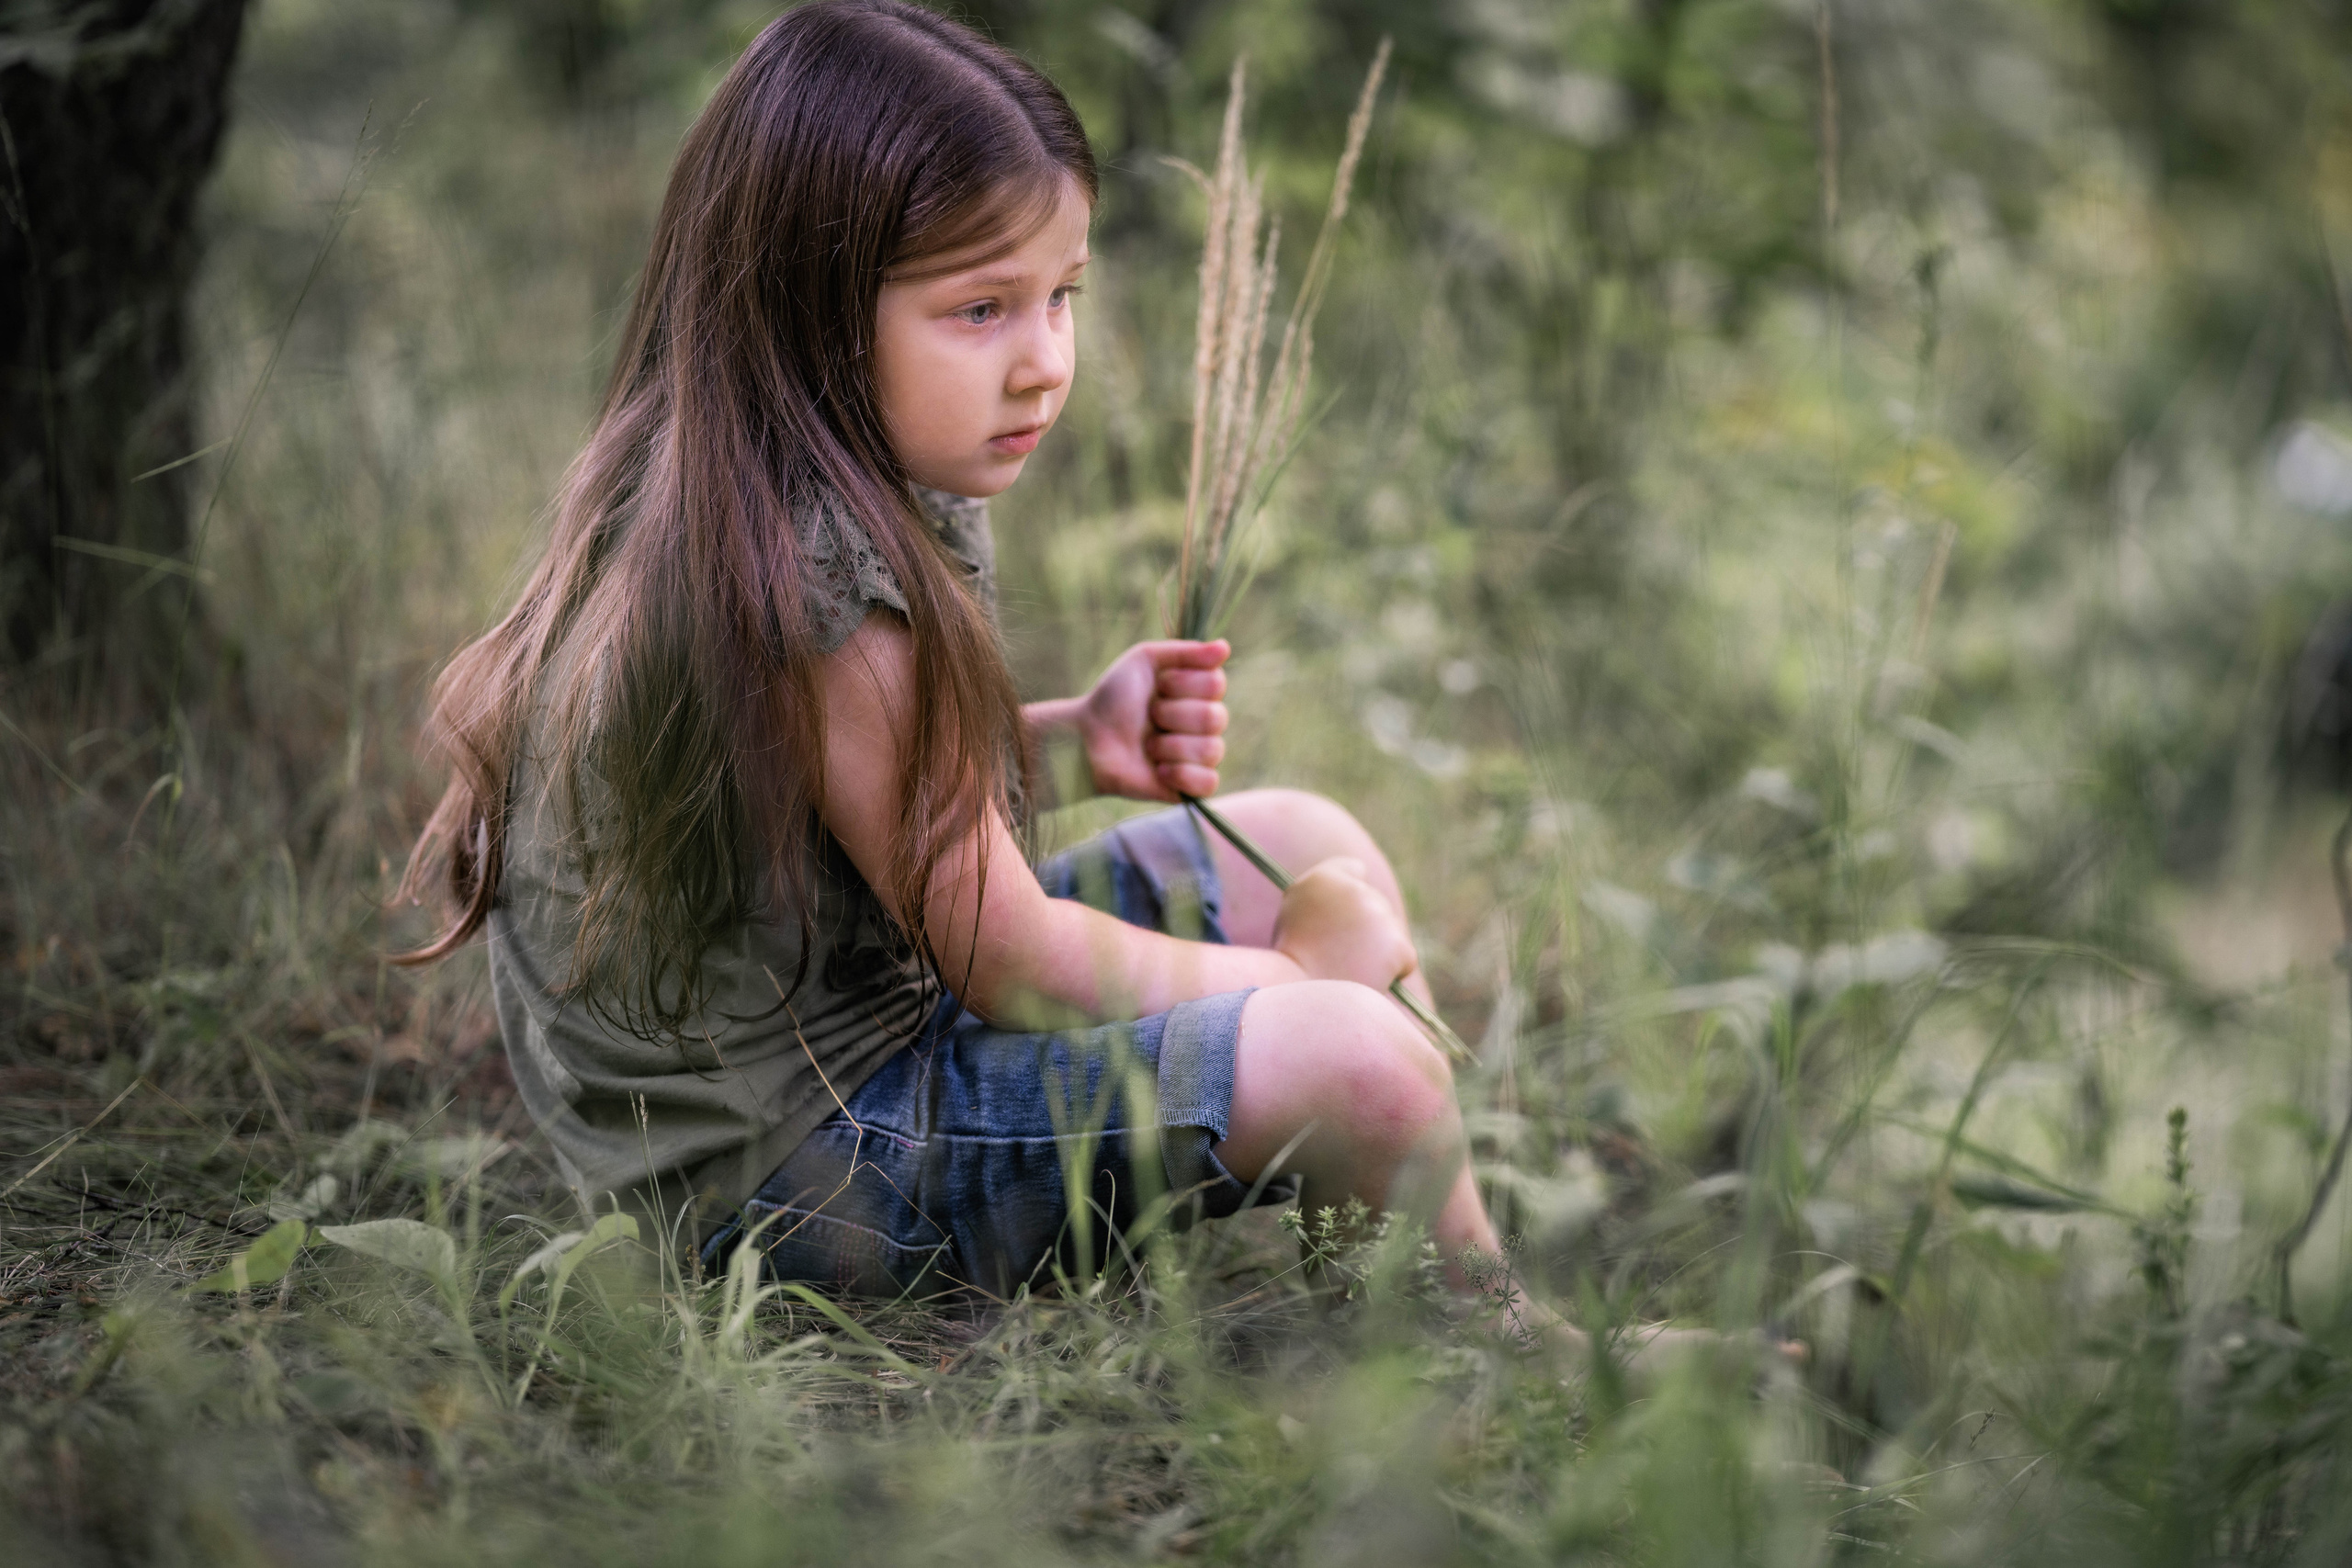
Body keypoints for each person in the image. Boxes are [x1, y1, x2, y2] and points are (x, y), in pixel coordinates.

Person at [397, 0, 1566, 1344]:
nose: (1044, 365)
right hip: (803, 1179)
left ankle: (1394, 1270)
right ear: (814, 305)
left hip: (843, 1030)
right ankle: (1488, 1336)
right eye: (981, 308)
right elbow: (1014, 964)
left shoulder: (779, 460)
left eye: (1061, 297)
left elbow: (847, 791)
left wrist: (1069, 742)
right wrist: (1308, 989)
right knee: (1363, 1058)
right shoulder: (810, 565)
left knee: (1296, 837)